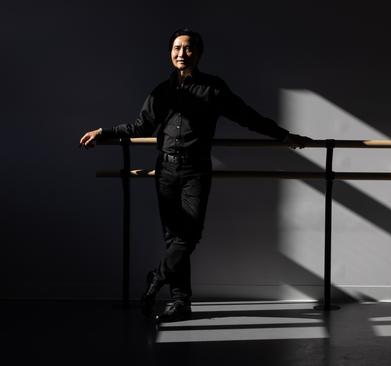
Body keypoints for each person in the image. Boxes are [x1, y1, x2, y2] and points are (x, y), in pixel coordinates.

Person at [80, 28, 312, 322]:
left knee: (189, 235)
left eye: (187, 49)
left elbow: (247, 116)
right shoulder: (161, 92)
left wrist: (284, 136)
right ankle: (180, 301)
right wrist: (104, 133)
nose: (181, 53)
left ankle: (156, 278)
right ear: (170, 53)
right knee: (174, 238)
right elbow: (141, 127)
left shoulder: (213, 89)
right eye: (176, 48)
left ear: (198, 54)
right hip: (165, 169)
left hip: (195, 169)